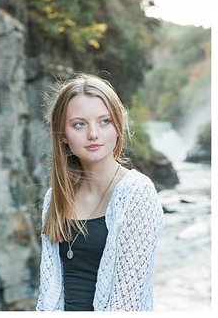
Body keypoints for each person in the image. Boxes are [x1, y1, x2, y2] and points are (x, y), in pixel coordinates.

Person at [35, 74, 163, 311]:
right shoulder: (55, 197)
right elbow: (47, 296)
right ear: (62, 135)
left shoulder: (137, 193)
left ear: (117, 126)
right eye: (79, 124)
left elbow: (126, 304)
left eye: (104, 121)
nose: (93, 133)